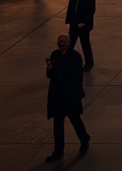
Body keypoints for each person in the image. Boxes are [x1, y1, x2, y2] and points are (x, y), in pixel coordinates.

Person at [44, 33, 90, 161]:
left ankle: (84, 139)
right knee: (58, 124)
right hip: (58, 96)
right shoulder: (54, 55)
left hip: (70, 97)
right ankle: (58, 150)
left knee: (75, 120)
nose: (61, 43)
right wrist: (49, 69)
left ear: (68, 43)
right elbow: (50, 75)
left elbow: (76, 77)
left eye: (64, 41)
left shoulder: (75, 57)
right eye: (60, 41)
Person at [65, 0, 96, 71]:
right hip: (74, 24)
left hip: (83, 26)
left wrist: (84, 22)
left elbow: (91, 10)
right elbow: (71, 7)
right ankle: (67, 62)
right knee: (70, 44)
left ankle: (89, 63)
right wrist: (69, 20)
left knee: (85, 44)